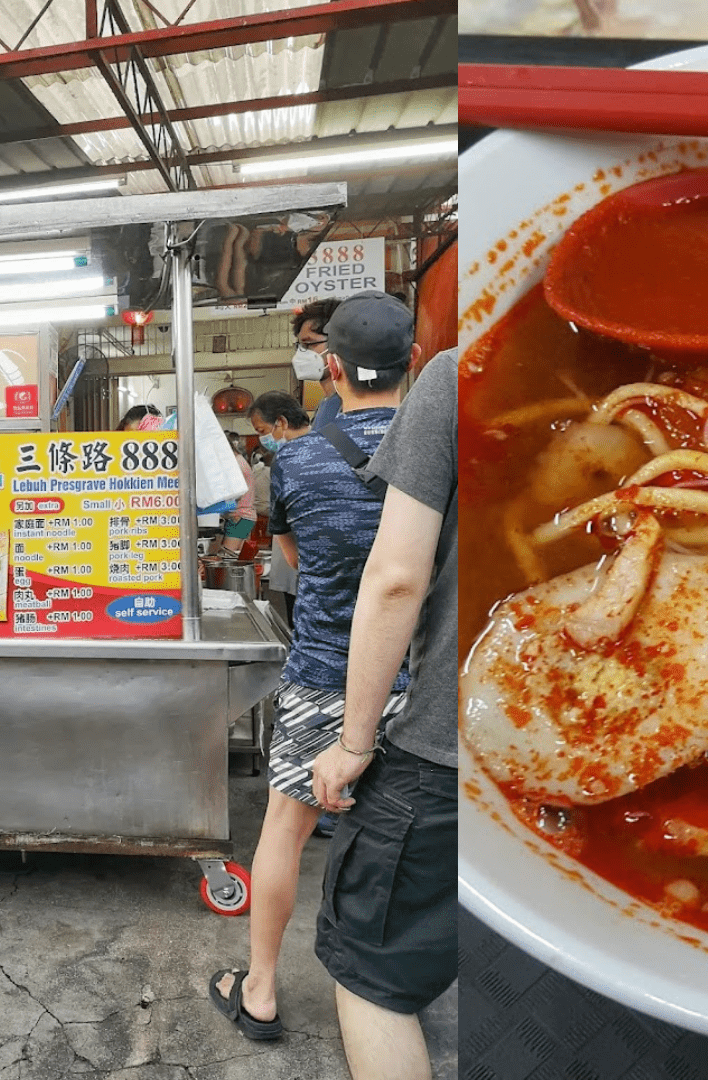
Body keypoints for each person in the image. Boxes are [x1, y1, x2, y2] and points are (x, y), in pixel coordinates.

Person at [209, 292, 418, 1043]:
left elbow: (293, 559)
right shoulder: (443, 450)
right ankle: (394, 992)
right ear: (414, 362)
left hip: (325, 673)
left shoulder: (296, 457)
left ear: (329, 367)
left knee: (284, 832)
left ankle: (260, 989)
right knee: (402, 844)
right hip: (418, 687)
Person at [311, 342, 457, 1080]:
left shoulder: (462, 377)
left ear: (332, 365)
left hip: (435, 741)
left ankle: (260, 990)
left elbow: (397, 577)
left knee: (374, 977)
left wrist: (355, 740)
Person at [248, 391, 311, 619]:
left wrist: (300, 566)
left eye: (262, 432)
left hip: (303, 568)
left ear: (282, 422)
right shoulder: (328, 446)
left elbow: (281, 528)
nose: (262, 440)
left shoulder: (285, 461)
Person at [290, 297, 343, 428]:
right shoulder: (326, 405)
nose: (302, 353)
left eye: (308, 344)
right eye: (300, 346)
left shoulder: (349, 406)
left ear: (339, 342)